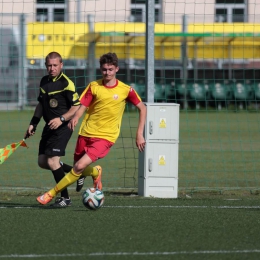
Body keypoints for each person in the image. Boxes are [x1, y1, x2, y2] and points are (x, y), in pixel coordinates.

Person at [36, 52, 147, 205]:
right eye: (104, 69)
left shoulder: (126, 90)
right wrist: (75, 118)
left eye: (110, 69)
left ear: (117, 69)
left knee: (79, 166)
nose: (107, 73)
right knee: (77, 167)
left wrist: (139, 134)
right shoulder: (94, 86)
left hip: (106, 137)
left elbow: (143, 108)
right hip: (86, 133)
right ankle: (95, 172)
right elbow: (82, 106)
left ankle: (52, 193)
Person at [25, 51, 80, 208]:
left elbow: (76, 106)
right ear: (45, 66)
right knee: (43, 162)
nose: (52, 68)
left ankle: (65, 198)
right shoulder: (44, 81)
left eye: (55, 65)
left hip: (63, 126)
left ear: (61, 65)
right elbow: (41, 105)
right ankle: (77, 172)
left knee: (52, 161)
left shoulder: (66, 83)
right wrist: (33, 123)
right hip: (49, 126)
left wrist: (61, 119)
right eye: (49, 65)